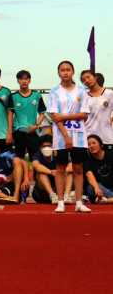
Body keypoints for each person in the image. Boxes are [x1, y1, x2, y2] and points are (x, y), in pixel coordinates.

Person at [50, 60, 91, 213]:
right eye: (62, 70)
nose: (65, 72)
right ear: (59, 73)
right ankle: (60, 201)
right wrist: (66, 136)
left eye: (68, 69)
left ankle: (79, 202)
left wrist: (64, 117)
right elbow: (55, 117)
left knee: (78, 168)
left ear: (73, 72)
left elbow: (83, 114)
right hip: (61, 137)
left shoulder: (81, 91)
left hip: (79, 135)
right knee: (60, 168)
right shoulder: (54, 92)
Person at [11, 70, 47, 163]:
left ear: (29, 81)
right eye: (21, 79)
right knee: (20, 158)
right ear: (17, 81)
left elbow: (42, 113)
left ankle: (36, 177)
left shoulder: (36, 95)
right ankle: (22, 177)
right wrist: (10, 131)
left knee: (35, 157)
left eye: (26, 79)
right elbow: (10, 114)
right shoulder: (13, 96)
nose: (24, 81)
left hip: (33, 131)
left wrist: (36, 125)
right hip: (18, 131)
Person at [81, 69, 113, 145]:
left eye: (88, 77)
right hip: (89, 135)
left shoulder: (109, 94)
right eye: (84, 80)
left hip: (106, 137)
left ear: (95, 77)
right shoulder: (84, 96)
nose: (87, 80)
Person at [84, 134, 113, 204]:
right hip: (99, 190)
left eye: (94, 143)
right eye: (89, 144)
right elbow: (88, 174)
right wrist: (97, 188)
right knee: (91, 187)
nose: (91, 146)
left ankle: (107, 200)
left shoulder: (110, 155)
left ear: (101, 145)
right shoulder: (87, 159)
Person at [30, 134, 59, 204]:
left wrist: (59, 172)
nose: (46, 148)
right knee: (40, 173)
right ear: (40, 148)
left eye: (49, 146)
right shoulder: (38, 155)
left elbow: (71, 166)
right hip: (42, 191)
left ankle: (66, 195)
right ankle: (52, 196)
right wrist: (51, 172)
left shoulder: (58, 154)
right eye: (44, 146)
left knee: (68, 173)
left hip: (58, 188)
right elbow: (36, 165)